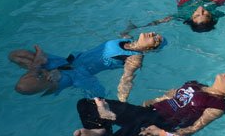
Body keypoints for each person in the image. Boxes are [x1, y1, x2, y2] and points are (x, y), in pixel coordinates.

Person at [73, 72, 225, 136]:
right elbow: (168, 96)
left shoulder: (218, 105)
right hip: (147, 112)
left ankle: (102, 131)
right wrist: (149, 103)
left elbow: (195, 127)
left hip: (159, 124)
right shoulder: (194, 83)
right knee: (86, 104)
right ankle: (101, 130)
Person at [9, 32, 166, 100]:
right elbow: (125, 32)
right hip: (69, 60)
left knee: (24, 87)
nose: (154, 34)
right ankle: (39, 66)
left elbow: (127, 79)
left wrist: (122, 100)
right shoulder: (128, 40)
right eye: (156, 34)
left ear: (150, 48)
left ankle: (40, 69)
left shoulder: (135, 58)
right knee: (16, 55)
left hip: (78, 74)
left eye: (156, 40)